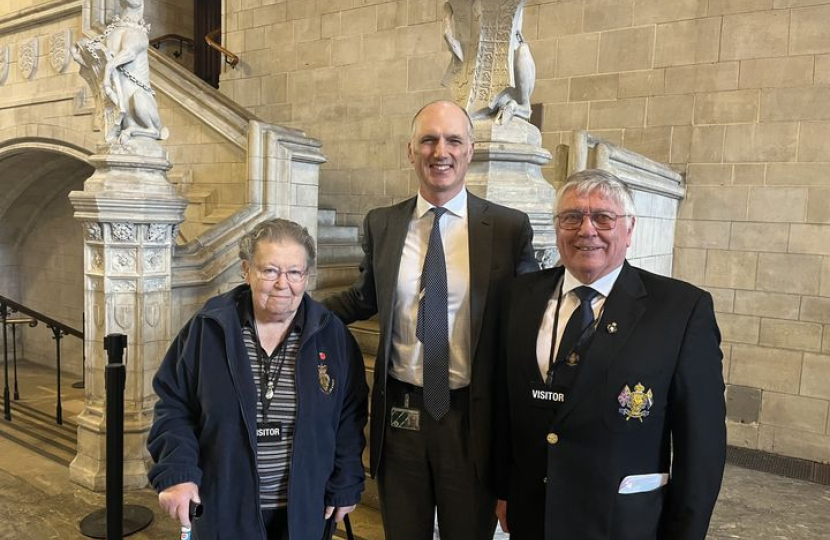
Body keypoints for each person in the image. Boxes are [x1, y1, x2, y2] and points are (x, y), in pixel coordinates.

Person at [324, 100, 538, 540]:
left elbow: (530, 313)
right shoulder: (382, 224)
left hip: (470, 420)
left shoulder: (507, 227)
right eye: (429, 140)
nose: (441, 151)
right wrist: (291, 311)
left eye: (453, 140)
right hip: (401, 416)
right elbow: (363, 298)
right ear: (411, 151)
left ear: (470, 151)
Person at [495, 169, 726, 540]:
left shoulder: (681, 310)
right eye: (572, 217)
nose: (586, 230)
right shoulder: (518, 296)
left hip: (622, 522)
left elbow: (701, 445)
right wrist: (505, 490)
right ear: (557, 228)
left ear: (629, 229)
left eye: (603, 217)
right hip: (535, 514)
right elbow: (504, 405)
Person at [147, 219, 368, 540]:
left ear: (306, 276)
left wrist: (347, 480)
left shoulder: (331, 335)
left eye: (295, 272)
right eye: (270, 271)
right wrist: (178, 472)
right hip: (225, 507)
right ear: (246, 270)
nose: (283, 283)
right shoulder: (209, 330)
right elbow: (174, 405)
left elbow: (350, 415)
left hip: (305, 508)